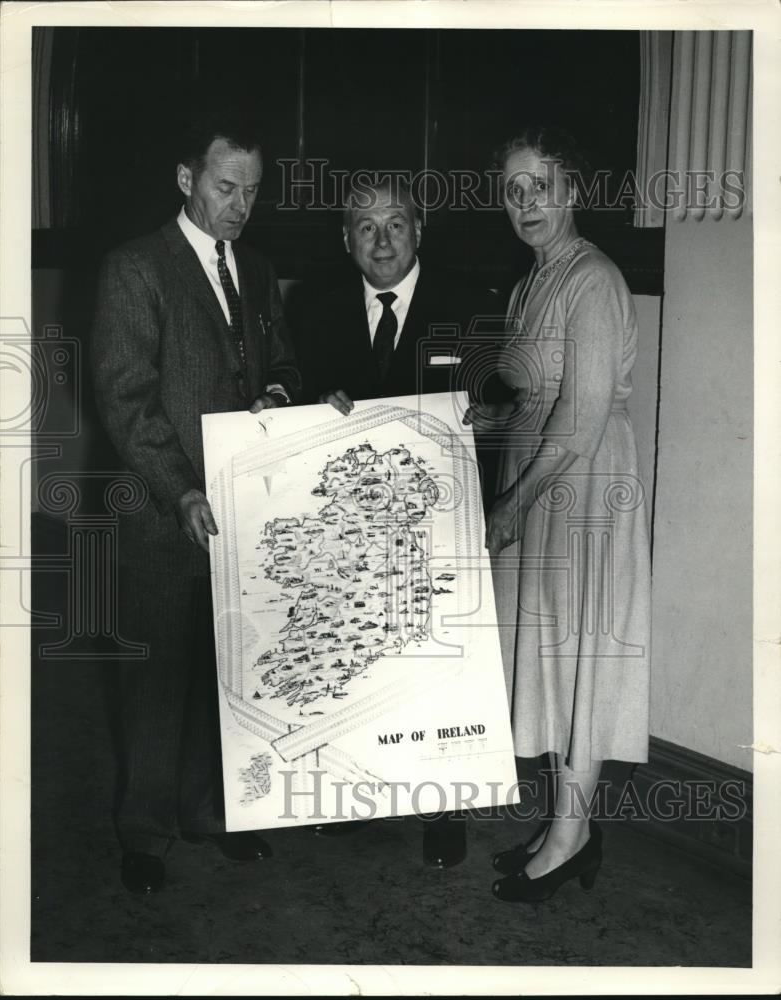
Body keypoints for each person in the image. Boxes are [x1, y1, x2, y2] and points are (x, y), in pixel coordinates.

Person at [91, 110, 301, 894]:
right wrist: (180, 488)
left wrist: (279, 389)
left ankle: (207, 815)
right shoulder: (134, 267)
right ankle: (143, 833)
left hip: (240, 518)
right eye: (224, 187)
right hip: (158, 511)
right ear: (187, 180)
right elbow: (125, 398)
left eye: (252, 190)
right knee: (155, 677)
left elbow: (280, 362)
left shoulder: (257, 267)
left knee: (224, 675)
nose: (240, 205)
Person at [464, 125, 651, 902]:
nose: (526, 202)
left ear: (571, 190)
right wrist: (484, 418)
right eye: (512, 190)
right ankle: (560, 823)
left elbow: (577, 418)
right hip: (539, 476)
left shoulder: (594, 279)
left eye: (540, 185)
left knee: (580, 658)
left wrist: (511, 499)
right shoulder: (530, 281)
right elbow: (534, 395)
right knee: (544, 652)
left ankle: (572, 839)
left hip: (580, 487)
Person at [295, 176, 496, 867]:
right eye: (365, 227)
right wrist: (313, 400)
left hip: (440, 523)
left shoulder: (471, 303)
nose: (382, 241)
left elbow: (506, 401)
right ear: (344, 237)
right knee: (358, 658)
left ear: (420, 230)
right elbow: (292, 393)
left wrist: (484, 413)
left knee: (437, 666)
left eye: (396, 225)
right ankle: (361, 792)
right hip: (352, 525)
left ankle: (443, 808)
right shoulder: (315, 304)